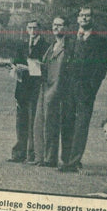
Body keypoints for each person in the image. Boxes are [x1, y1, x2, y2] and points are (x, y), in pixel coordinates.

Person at [60, 7, 107, 172]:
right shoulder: (71, 39)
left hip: (86, 89)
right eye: (81, 15)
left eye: (88, 15)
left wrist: (91, 89)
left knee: (81, 125)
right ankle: (66, 159)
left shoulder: (100, 42)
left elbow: (101, 69)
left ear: (92, 19)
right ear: (77, 19)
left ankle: (73, 162)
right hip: (68, 89)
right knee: (67, 123)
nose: (84, 18)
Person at [31, 17, 74, 167]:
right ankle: (39, 158)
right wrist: (32, 66)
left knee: (51, 124)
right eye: (54, 24)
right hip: (44, 87)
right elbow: (45, 66)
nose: (56, 27)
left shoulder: (68, 48)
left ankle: (50, 159)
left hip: (57, 89)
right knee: (39, 123)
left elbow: (66, 72)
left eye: (60, 25)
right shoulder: (52, 46)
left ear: (66, 28)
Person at [8, 20, 49, 163]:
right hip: (21, 89)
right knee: (21, 122)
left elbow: (44, 68)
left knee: (33, 122)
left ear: (40, 29)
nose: (32, 30)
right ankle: (19, 153)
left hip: (35, 89)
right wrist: (15, 68)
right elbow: (15, 63)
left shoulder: (46, 47)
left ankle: (31, 154)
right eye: (30, 27)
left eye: (35, 28)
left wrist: (29, 69)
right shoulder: (21, 45)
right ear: (26, 29)